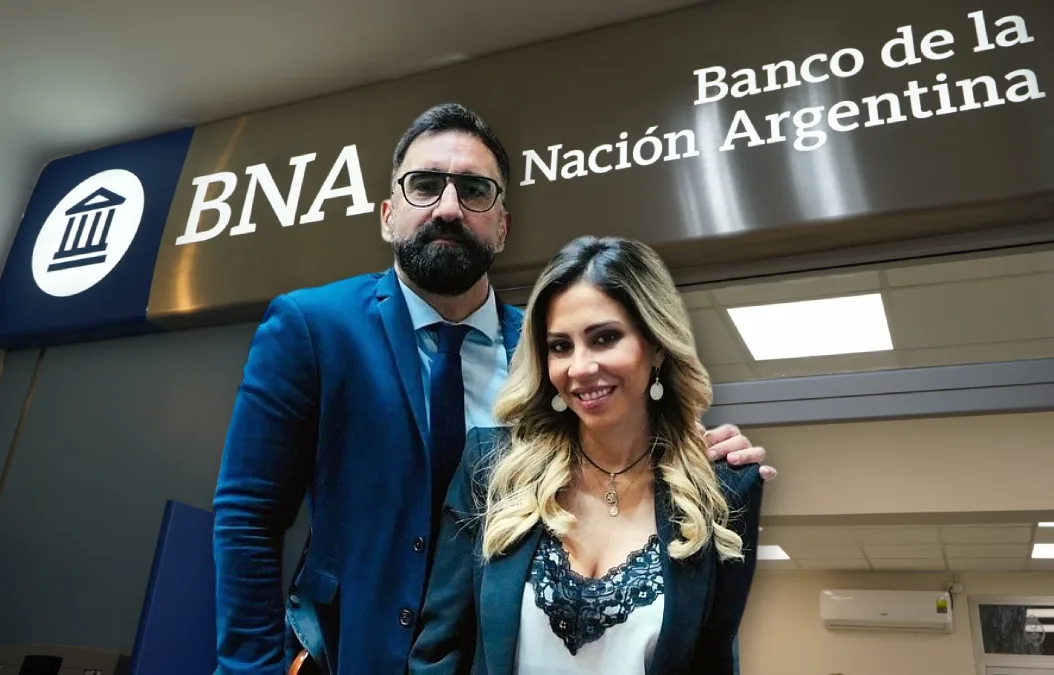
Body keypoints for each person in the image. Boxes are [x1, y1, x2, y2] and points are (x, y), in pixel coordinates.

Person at [211, 103, 774, 675]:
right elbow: (248, 515)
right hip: (349, 654)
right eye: (424, 185)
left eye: (474, 190)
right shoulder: (313, 327)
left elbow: (613, 446)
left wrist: (683, 452)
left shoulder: (547, 353)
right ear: (387, 214)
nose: (448, 208)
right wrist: (250, 670)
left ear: (502, 226)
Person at [408, 235, 764, 675]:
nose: (580, 368)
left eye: (605, 338)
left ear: (656, 345)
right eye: (560, 346)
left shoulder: (722, 491)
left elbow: (713, 659)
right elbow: (438, 652)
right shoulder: (491, 468)